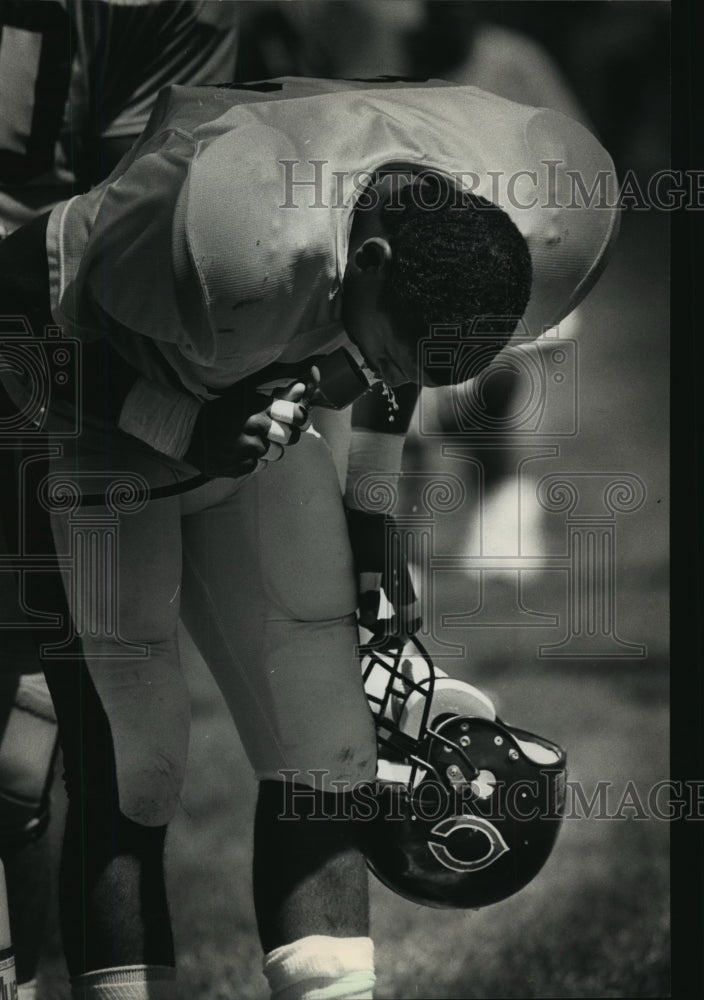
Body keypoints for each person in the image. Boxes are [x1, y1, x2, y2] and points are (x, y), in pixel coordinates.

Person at [0, 76, 619, 999]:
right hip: (104, 438)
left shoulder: (469, 222)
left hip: (260, 438)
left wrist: (373, 527)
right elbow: (11, 318)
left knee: (328, 749)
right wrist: (179, 424)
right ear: (362, 262)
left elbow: (396, 373)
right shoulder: (234, 232)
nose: (384, 374)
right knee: (139, 765)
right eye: (393, 349)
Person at [0, 2, 240, 995]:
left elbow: (118, 234)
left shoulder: (178, 14)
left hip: (51, 348)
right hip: (45, 335)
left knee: (75, 718)